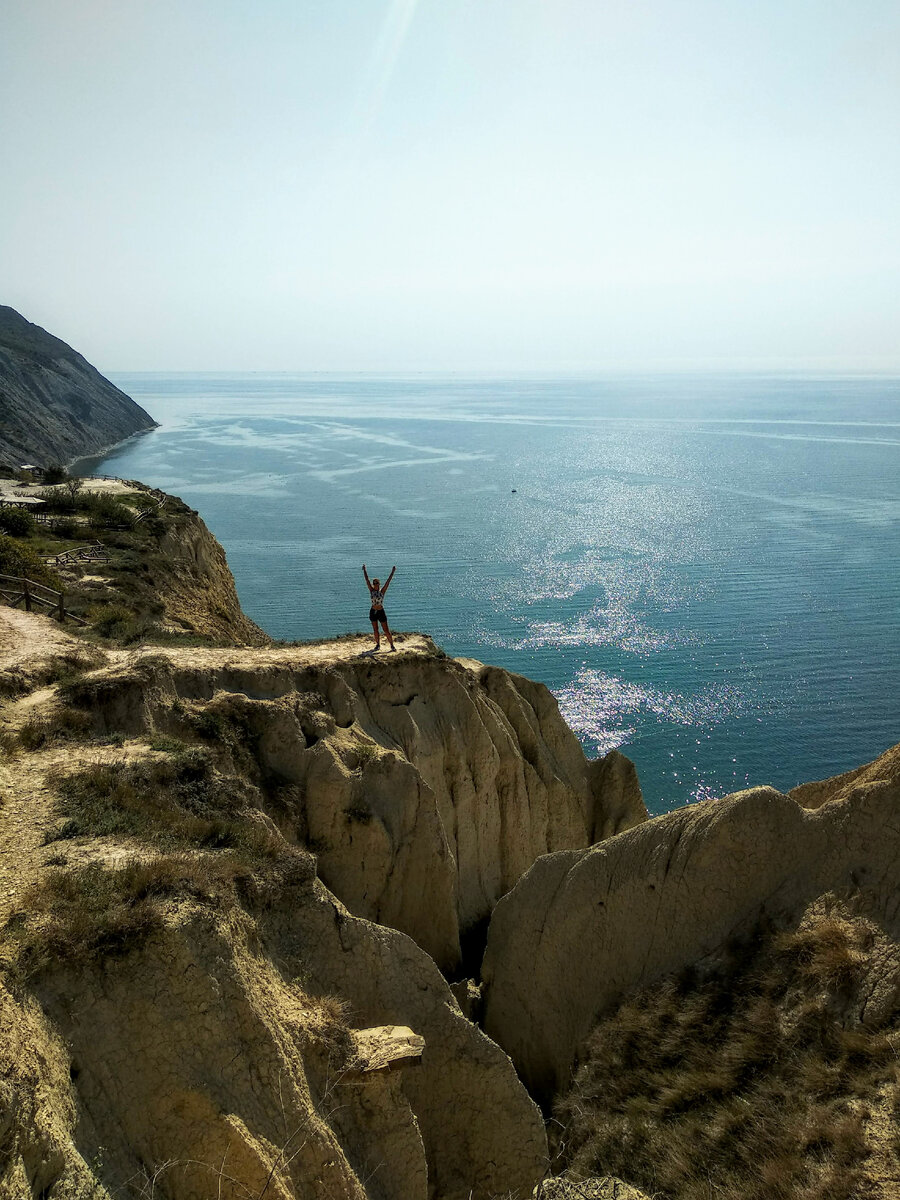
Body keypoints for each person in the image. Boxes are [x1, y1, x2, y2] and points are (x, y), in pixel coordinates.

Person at [363, 563, 396, 651]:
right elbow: (366, 580)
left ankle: (392, 645)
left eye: (377, 583)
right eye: (374, 583)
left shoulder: (382, 591)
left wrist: (392, 572)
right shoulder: (371, 590)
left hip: (381, 611)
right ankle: (378, 645)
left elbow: (388, 581)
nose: (375, 584)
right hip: (373, 611)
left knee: (386, 630)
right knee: (375, 630)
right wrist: (364, 570)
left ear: (379, 584)